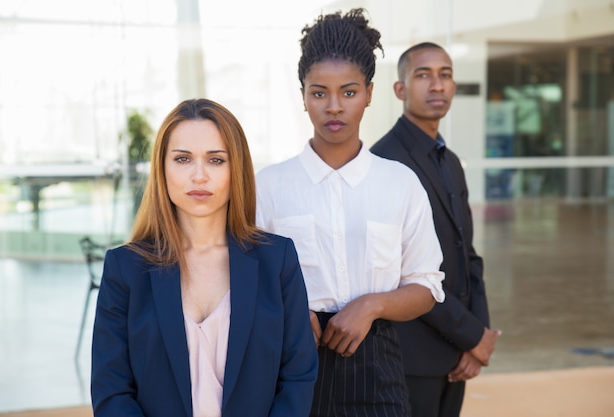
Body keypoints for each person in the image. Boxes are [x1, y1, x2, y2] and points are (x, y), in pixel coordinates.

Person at [256, 9, 445, 417]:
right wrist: (289, 310)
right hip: (288, 365)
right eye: (319, 92)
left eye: (349, 91)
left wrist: (372, 306)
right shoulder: (268, 186)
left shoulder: (401, 183)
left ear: (370, 93)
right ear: (302, 95)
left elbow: (427, 285)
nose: (334, 107)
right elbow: (245, 277)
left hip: (378, 368)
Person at [91, 98, 318, 417]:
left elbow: (297, 378)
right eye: (183, 159)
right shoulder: (125, 268)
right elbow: (111, 391)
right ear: (162, 168)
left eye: (216, 160)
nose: (199, 176)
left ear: (235, 168)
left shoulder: (277, 260)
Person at [370, 42, 501, 417]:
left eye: (445, 75)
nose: (437, 85)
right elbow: (400, 271)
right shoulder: (385, 164)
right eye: (423, 75)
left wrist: (478, 336)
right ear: (400, 89)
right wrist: (472, 336)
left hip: (457, 354)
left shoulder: (451, 161)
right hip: (410, 357)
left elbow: (468, 255)